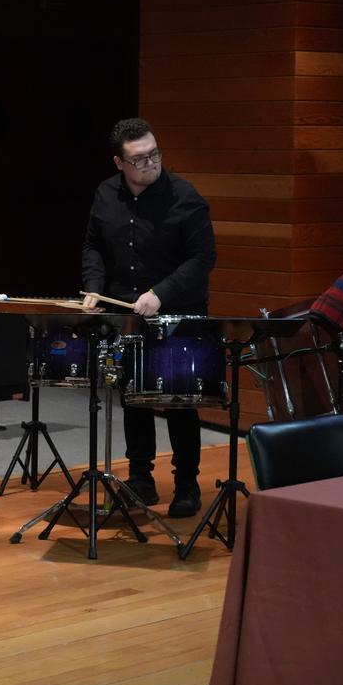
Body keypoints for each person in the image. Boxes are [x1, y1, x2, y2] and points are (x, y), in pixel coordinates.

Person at [81, 118, 217, 518]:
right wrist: (93, 285)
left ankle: (186, 484)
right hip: (125, 309)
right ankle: (140, 478)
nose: (150, 164)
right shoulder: (105, 194)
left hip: (177, 311)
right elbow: (93, 245)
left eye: (155, 155)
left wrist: (161, 294)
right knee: (133, 398)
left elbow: (203, 258)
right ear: (119, 162)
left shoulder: (185, 199)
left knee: (179, 402)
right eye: (140, 159)